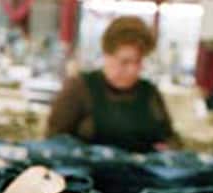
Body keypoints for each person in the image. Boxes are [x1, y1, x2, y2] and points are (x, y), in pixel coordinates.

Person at [46, 16, 174, 153]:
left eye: (138, 62)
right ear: (106, 55)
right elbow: (53, 142)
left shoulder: (149, 93)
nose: (132, 70)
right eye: (125, 62)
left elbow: (170, 138)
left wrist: (168, 149)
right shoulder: (79, 89)